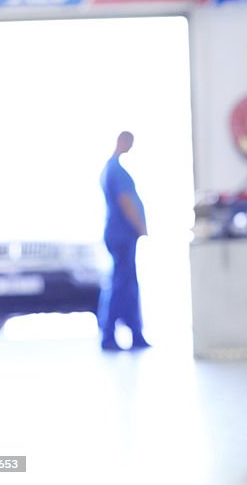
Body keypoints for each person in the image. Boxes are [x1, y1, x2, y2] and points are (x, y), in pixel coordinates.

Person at [98, 130, 150, 352]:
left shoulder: (112, 169)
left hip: (120, 234)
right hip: (121, 234)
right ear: (122, 141)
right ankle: (109, 335)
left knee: (127, 284)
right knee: (121, 285)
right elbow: (125, 201)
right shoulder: (116, 171)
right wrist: (140, 226)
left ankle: (134, 333)